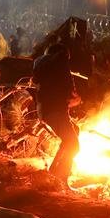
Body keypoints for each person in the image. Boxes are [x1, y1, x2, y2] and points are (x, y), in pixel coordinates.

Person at [33, 43, 80, 182]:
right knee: (73, 145)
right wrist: (75, 97)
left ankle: (53, 171)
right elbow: (69, 88)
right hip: (57, 111)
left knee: (74, 131)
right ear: (63, 53)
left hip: (45, 111)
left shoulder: (40, 64)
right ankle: (61, 179)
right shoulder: (60, 60)